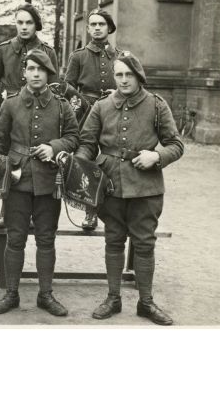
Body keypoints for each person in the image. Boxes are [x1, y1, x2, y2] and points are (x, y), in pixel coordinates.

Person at [76, 51, 183, 325]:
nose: (123, 80)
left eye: (128, 75)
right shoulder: (101, 106)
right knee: (113, 241)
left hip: (146, 187)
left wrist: (156, 156)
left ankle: (146, 302)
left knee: (144, 244)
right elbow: (88, 143)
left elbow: (175, 144)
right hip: (109, 184)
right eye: (119, 75)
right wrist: (80, 167)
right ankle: (113, 298)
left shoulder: (156, 105)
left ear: (138, 77)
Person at [0, 49, 79, 316]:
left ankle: (45, 295)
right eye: (30, 69)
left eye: (41, 70)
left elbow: (74, 137)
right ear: (24, 72)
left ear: (49, 74)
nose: (35, 74)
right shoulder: (11, 103)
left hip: (49, 181)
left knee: (46, 240)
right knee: (15, 239)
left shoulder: (62, 106)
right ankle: (11, 294)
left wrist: (53, 146)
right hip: (17, 180)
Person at [0, 3, 59, 228]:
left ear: (36, 25)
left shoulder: (48, 52)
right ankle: (5, 211)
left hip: (39, 111)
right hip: (8, 111)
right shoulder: (3, 49)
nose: (24, 27)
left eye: (29, 22)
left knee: (35, 161)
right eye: (20, 22)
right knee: (6, 159)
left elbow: (55, 85)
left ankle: (33, 213)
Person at [64, 8, 121, 230]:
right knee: (85, 160)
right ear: (88, 29)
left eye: (102, 24)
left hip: (113, 113)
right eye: (93, 24)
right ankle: (90, 212)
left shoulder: (120, 56)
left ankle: (109, 212)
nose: (97, 28)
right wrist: (82, 101)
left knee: (108, 160)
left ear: (109, 28)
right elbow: (67, 87)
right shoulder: (78, 56)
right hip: (86, 115)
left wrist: (114, 97)